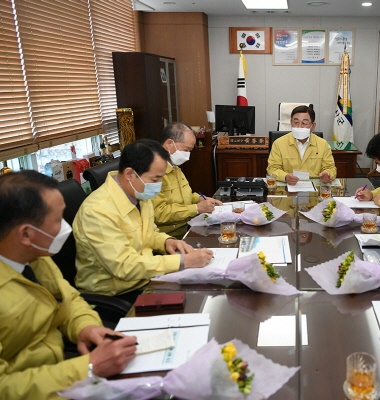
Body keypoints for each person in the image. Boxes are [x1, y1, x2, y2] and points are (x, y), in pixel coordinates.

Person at [0, 170, 137, 399]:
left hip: (63, 373)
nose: (66, 227)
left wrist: (86, 326)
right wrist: (88, 368)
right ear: (26, 234)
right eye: (57, 220)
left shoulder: (36, 256)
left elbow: (69, 299)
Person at [74, 139, 213, 302]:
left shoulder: (138, 193)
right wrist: (183, 261)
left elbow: (149, 232)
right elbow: (125, 267)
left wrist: (166, 241)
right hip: (115, 295)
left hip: (145, 279)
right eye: (155, 180)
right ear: (129, 174)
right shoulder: (98, 211)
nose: (159, 186)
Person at [152, 122, 222, 239]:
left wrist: (200, 198)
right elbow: (159, 213)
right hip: (167, 238)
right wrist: (196, 208)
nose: (188, 155)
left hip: (186, 229)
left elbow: (186, 196)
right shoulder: (154, 172)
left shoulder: (175, 167)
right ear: (170, 143)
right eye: (186, 149)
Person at [267, 105, 337, 185]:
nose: (299, 127)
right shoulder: (279, 143)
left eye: (304, 123)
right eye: (296, 122)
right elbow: (272, 168)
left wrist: (327, 174)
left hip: (314, 192)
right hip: (288, 190)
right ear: (291, 122)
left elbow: (330, 168)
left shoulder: (322, 144)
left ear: (313, 126)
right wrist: (285, 176)